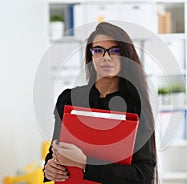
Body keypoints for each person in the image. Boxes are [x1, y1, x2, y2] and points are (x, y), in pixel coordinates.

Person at [43, 22, 157, 184]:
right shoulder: (69, 99)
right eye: (98, 50)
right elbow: (54, 151)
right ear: (91, 56)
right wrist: (49, 168)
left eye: (115, 51)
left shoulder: (135, 105)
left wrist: (84, 163)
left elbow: (144, 174)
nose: (106, 57)